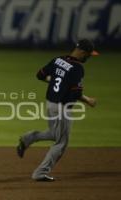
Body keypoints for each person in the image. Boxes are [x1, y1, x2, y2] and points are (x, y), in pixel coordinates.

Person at [17, 39, 98, 181]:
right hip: (62, 107)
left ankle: (28, 138)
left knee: (55, 133)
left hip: (50, 104)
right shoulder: (77, 68)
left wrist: (55, 80)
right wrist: (89, 100)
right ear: (82, 52)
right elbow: (76, 94)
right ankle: (40, 173)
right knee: (61, 142)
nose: (89, 57)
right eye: (89, 55)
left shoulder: (58, 60)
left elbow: (40, 75)